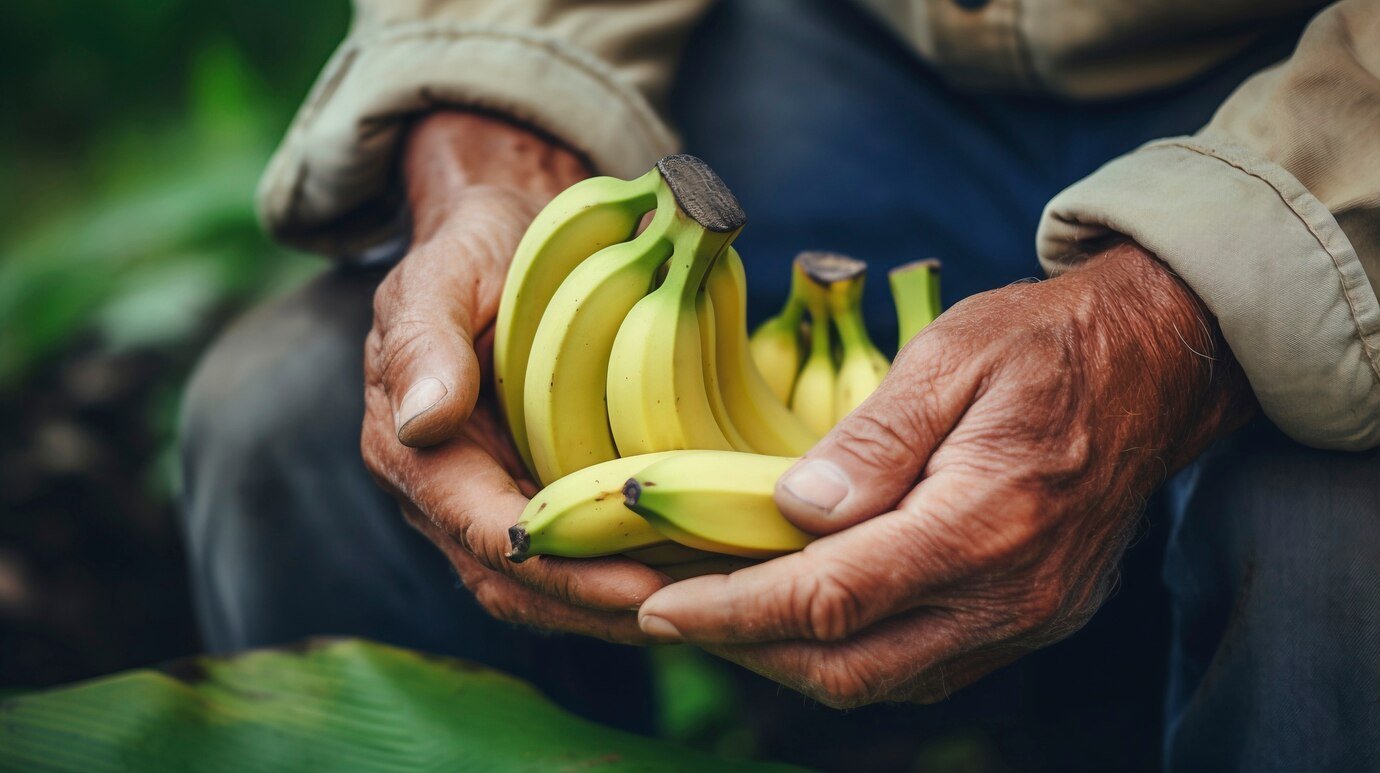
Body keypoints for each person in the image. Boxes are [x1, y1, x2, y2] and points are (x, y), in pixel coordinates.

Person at [181, 0, 1380, 769]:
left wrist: (1193, 298)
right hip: (817, 50)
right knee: (289, 407)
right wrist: (494, 124)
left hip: (1324, 86)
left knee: (1342, 546)